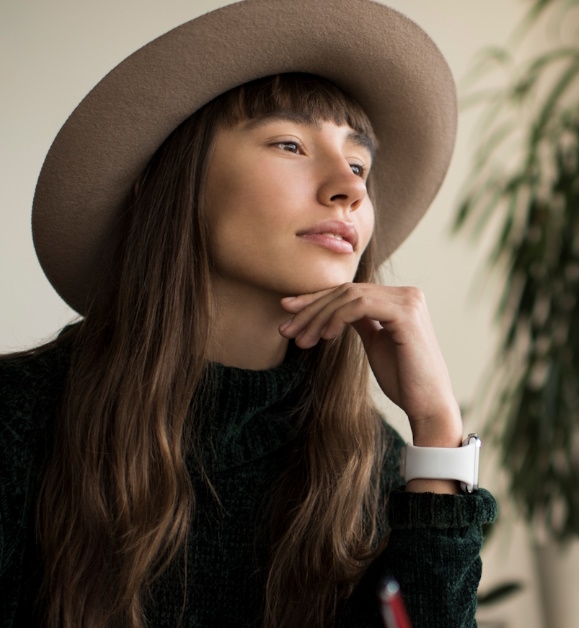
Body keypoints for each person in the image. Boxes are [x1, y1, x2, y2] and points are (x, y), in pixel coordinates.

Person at [0, 1, 495, 626]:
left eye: (360, 164)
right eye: (290, 144)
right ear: (173, 181)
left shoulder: (377, 466)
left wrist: (437, 433)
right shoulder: (18, 423)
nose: (349, 185)